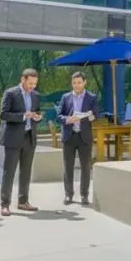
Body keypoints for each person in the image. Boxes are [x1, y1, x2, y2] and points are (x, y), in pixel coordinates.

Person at [0, 68, 42, 216]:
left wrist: (37, 116)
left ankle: (23, 202)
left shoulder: (36, 95)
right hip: (13, 138)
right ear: (23, 79)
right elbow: (3, 114)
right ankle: (5, 205)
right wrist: (23, 116)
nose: (32, 86)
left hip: (29, 137)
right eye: (30, 83)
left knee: (26, 172)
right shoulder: (10, 93)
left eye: (35, 83)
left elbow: (38, 111)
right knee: (9, 172)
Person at [56, 72, 98, 206]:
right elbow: (58, 116)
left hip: (84, 136)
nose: (77, 85)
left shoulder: (91, 97)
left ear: (84, 82)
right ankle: (69, 195)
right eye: (74, 83)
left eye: (79, 82)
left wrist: (88, 115)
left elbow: (96, 115)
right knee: (68, 167)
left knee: (86, 167)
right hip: (69, 136)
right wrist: (68, 119)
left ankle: (84, 196)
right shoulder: (65, 97)